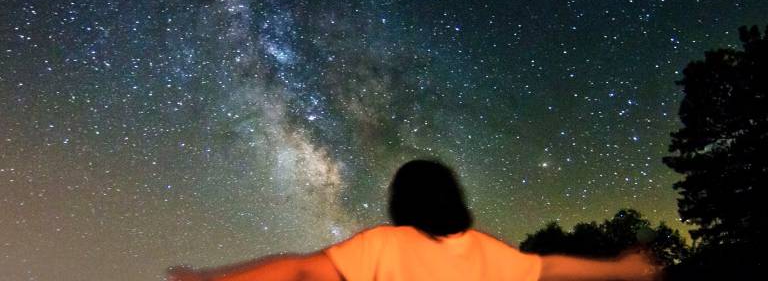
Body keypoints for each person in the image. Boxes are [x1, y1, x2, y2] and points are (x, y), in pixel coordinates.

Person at [168, 159, 660, 281]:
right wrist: (621, 269)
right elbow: (550, 267)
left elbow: (301, 271)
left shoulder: (383, 244)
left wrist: (215, 277)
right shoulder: (487, 252)